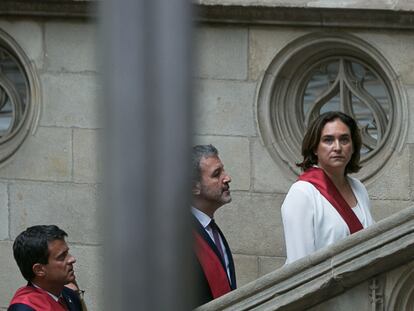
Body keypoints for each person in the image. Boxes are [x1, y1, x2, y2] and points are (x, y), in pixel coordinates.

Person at [281, 111, 375, 264]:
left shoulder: (358, 188)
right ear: (315, 148)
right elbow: (299, 266)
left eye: (344, 140)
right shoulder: (302, 194)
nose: (337, 147)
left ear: (353, 147)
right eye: (328, 140)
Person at [191, 144, 236, 307]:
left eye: (223, 170)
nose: (227, 178)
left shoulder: (210, 229)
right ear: (194, 187)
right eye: (217, 174)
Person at [8, 225, 83, 311]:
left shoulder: (70, 295)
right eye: (62, 256)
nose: (72, 259)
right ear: (39, 270)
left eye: (67, 252)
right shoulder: (24, 307)